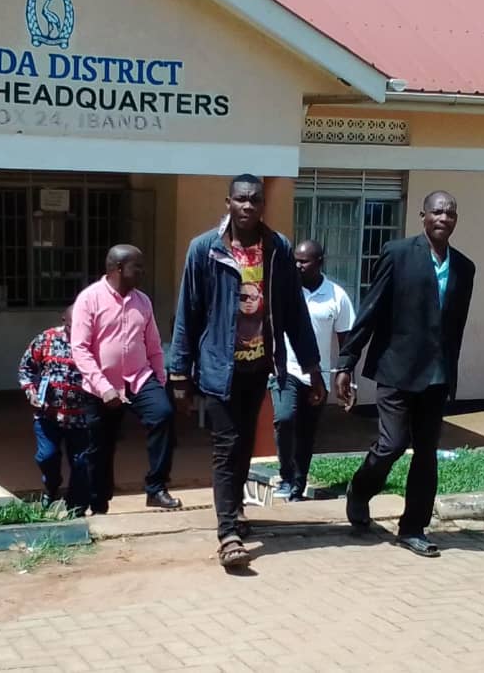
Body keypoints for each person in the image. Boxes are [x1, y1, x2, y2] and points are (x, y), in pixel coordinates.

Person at [170, 175, 324, 569]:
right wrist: (179, 375)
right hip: (219, 367)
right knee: (226, 446)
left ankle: (235, 509)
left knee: (242, 445)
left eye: (255, 200)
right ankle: (228, 534)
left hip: (259, 366)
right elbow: (188, 313)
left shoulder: (277, 248)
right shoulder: (204, 250)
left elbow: (293, 312)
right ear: (228, 203)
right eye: (241, 199)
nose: (248, 206)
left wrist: (312, 367)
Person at [335, 191, 475, 558]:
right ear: (423, 216)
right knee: (392, 444)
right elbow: (371, 309)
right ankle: (360, 490)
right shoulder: (398, 254)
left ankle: (413, 527)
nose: (444, 218)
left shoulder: (464, 267)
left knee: (426, 453)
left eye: (450, 212)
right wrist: (346, 362)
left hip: (437, 376)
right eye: (437, 211)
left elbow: (454, 328)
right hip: (396, 369)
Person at [71, 244, 181, 514]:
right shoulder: (89, 299)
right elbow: (80, 349)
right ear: (118, 269)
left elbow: (153, 345)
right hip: (101, 388)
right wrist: (104, 387)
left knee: (163, 414)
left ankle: (156, 488)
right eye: (137, 267)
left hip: (139, 379)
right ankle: (99, 503)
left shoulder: (142, 301)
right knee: (100, 448)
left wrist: (159, 380)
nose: (142, 272)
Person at [274, 240, 355, 502]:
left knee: (306, 433)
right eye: (295, 260)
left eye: (304, 261)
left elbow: (347, 342)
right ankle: (286, 475)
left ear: (320, 261)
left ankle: (297, 487)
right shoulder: (284, 291)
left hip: (317, 376)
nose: (297, 265)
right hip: (285, 370)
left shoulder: (336, 296)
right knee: (285, 419)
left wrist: (347, 377)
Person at [18, 306, 90, 514]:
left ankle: (75, 507)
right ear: (63, 321)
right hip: (47, 415)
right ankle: (51, 486)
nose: (78, 331)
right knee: (46, 457)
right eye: (73, 326)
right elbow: (26, 368)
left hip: (81, 418)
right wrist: (31, 392)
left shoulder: (94, 342)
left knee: (81, 463)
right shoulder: (46, 339)